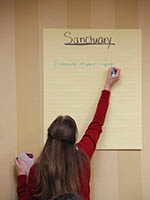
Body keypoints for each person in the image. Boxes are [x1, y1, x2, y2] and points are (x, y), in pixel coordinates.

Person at [14, 67, 120, 200]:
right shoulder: (83, 156)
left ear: (49, 137)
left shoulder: (37, 171)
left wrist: (22, 177)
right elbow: (96, 124)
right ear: (73, 139)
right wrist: (108, 86)